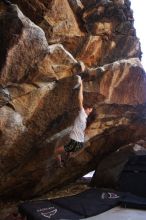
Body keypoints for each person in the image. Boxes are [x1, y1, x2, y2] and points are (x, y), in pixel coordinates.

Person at [55, 75, 95, 167]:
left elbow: (80, 99)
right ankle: (68, 158)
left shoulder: (83, 115)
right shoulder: (86, 120)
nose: (85, 109)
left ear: (90, 111)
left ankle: (60, 165)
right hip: (78, 143)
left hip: (75, 143)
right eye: (86, 108)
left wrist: (81, 85)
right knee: (68, 151)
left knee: (56, 151)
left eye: (88, 108)